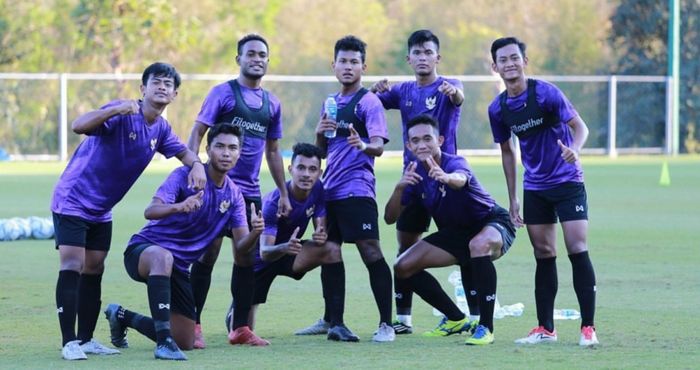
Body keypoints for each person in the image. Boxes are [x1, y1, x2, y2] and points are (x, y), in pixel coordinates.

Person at [51, 62, 206, 360]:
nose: (162, 87)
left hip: (101, 210)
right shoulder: (123, 113)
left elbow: (183, 152)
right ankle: (68, 342)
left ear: (175, 94)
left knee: (94, 268)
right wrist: (114, 110)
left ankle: (85, 339)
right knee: (73, 265)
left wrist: (197, 164)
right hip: (73, 199)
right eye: (156, 82)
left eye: (167, 84)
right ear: (142, 88)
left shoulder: (160, 128)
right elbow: (79, 125)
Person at [103, 123, 263, 360]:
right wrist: (179, 207)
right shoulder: (183, 176)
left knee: (186, 340)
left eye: (232, 148)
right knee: (163, 256)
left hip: (177, 268)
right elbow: (151, 211)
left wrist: (255, 232)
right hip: (144, 252)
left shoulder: (234, 195)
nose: (226, 153)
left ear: (240, 154)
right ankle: (164, 345)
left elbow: (241, 247)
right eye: (220, 146)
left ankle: (122, 316)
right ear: (208, 150)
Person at [488, 37, 599, 346]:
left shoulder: (546, 93)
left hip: (567, 181)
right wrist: (512, 197)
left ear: (525, 61)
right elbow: (508, 152)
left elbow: (581, 127)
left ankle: (588, 328)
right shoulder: (498, 109)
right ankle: (545, 328)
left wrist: (575, 150)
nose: (509, 63)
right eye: (503, 59)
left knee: (577, 248)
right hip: (535, 186)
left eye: (514, 57)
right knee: (544, 253)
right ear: (494, 66)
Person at [186, 33, 290, 348]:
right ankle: (193, 325)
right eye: (251, 54)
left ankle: (240, 328)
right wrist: (192, 169)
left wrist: (283, 192)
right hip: (216, 189)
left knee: (247, 257)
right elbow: (197, 132)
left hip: (249, 193)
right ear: (239, 59)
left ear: (267, 61)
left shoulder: (272, 103)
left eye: (262, 55)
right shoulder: (223, 94)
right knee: (207, 254)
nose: (257, 59)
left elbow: (273, 151)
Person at [370, 29, 473, 334]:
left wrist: (455, 94)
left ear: (437, 57)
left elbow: (459, 96)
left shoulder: (448, 86)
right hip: (414, 179)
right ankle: (403, 319)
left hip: (445, 180)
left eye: (428, 52)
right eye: (417, 53)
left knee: (464, 246)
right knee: (404, 249)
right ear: (409, 58)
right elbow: (371, 101)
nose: (423, 58)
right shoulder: (403, 91)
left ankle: (476, 315)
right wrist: (374, 90)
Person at [295, 35, 394, 342]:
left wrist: (363, 144)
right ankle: (331, 320)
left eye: (354, 61)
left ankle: (386, 325)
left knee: (370, 250)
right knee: (329, 252)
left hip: (357, 190)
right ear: (333, 65)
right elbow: (321, 152)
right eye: (343, 61)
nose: (348, 66)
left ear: (363, 66)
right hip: (329, 192)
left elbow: (377, 146)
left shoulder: (369, 102)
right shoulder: (330, 103)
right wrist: (318, 133)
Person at [385, 115, 516, 345]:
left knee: (478, 245)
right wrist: (399, 188)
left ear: (440, 140)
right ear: (408, 145)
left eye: (428, 138)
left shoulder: (454, 162)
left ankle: (486, 327)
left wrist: (446, 177)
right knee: (402, 266)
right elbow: (389, 218)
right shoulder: (413, 172)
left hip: (491, 223)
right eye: (415, 140)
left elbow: (461, 179)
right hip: (456, 233)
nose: (422, 144)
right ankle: (455, 318)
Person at [224, 143, 342, 332]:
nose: (306, 174)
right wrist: (285, 247)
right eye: (301, 168)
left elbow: (320, 223)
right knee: (242, 332)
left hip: (291, 250)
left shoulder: (318, 188)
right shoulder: (273, 203)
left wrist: (321, 233)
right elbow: (264, 253)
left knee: (331, 249)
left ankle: (335, 323)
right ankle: (238, 307)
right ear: (290, 169)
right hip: (263, 261)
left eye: (312, 169)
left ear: (319, 173)